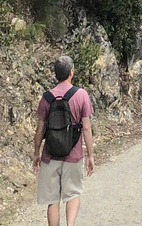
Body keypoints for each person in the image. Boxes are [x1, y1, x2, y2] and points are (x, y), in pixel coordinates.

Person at [35, 58, 91, 226]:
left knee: (52, 200)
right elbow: (87, 128)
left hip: (50, 155)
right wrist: (90, 156)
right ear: (71, 72)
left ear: (56, 74)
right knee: (73, 194)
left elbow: (39, 130)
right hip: (73, 155)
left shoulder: (46, 98)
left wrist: (36, 153)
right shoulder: (81, 95)